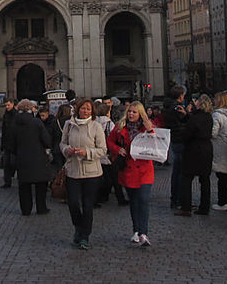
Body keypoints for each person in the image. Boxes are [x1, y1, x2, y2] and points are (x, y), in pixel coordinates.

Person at [59, 98, 106, 250]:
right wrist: (67, 150)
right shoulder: (69, 125)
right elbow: (62, 143)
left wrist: (87, 152)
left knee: (87, 205)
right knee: (73, 203)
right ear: (78, 109)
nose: (85, 111)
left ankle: (84, 236)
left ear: (92, 111)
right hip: (73, 170)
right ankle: (78, 227)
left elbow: (102, 150)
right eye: (83, 108)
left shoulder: (96, 126)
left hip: (91, 171)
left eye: (88, 109)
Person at [107, 101, 155, 246]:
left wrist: (150, 131)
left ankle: (144, 232)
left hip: (145, 169)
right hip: (128, 168)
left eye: (134, 112)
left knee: (144, 199)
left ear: (140, 114)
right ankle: (136, 230)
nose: (131, 114)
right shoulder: (120, 127)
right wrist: (117, 149)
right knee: (134, 201)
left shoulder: (147, 127)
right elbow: (110, 141)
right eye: (130, 112)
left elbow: (156, 143)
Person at [5, 99, 53, 215]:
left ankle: (26, 209)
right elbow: (46, 140)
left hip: (22, 159)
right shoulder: (37, 122)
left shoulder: (14, 124)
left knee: (24, 186)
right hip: (39, 158)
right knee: (40, 184)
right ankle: (41, 208)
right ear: (31, 109)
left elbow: (10, 144)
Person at [177, 94, 213, 217]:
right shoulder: (209, 117)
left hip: (193, 149)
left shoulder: (195, 118)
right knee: (205, 179)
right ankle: (205, 206)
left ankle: (186, 207)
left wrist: (182, 135)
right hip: (206, 148)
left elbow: (188, 133)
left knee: (186, 178)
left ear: (199, 104)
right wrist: (188, 115)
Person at [94, 101, 127, 206]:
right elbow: (114, 138)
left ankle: (102, 196)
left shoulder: (94, 123)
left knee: (102, 177)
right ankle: (120, 198)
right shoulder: (110, 123)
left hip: (98, 154)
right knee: (115, 178)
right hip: (109, 154)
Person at [162, 85, 188, 209]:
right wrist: (187, 114)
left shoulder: (167, 106)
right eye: (183, 95)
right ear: (180, 96)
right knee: (181, 171)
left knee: (177, 170)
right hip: (181, 138)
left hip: (175, 139)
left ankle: (176, 198)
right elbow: (183, 123)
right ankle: (178, 199)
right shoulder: (177, 108)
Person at [38, 106, 64, 171]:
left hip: (53, 146)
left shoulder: (52, 122)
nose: (42, 117)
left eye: (43, 115)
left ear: (47, 113)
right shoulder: (39, 121)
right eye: (41, 115)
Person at [0, 100, 18, 188]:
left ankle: (14, 176)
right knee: (6, 163)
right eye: (6, 105)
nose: (7, 107)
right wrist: (2, 144)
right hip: (7, 143)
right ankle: (7, 181)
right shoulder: (5, 115)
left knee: (13, 162)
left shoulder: (17, 115)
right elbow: (3, 130)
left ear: (13, 104)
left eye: (8, 105)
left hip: (14, 143)